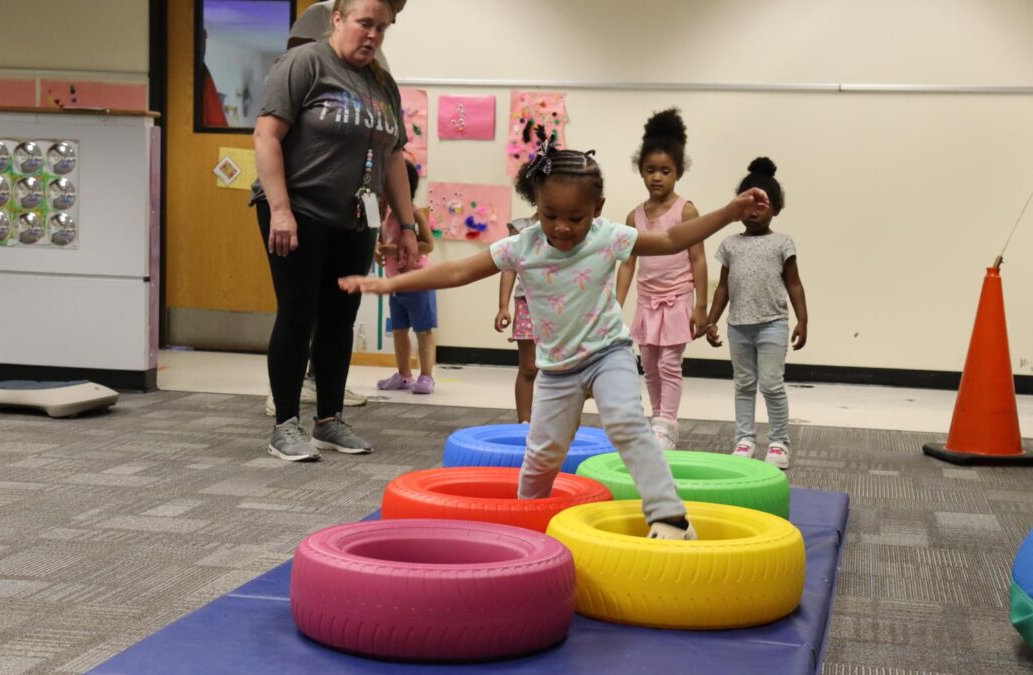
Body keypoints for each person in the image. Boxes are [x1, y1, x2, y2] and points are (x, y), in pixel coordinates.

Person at [340, 129, 770, 540]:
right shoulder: (523, 244)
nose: (562, 227)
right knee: (542, 455)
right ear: (536, 207)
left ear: (597, 208)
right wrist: (391, 283)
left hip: (608, 353)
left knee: (626, 423)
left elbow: (673, 238)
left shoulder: (608, 237)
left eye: (575, 218)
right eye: (550, 216)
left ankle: (669, 515)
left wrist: (729, 212)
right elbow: (458, 270)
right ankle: (526, 517)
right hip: (556, 370)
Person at [250, 0, 419, 461]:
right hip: (298, 210)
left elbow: (394, 160)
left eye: (382, 28)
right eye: (365, 23)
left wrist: (405, 223)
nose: (372, 35)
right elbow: (266, 136)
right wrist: (280, 210)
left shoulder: (383, 84)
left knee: (340, 319)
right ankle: (285, 424)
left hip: (355, 218)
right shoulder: (304, 63)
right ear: (338, 20)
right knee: (298, 313)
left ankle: (329, 420)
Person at [704, 157, 808, 470]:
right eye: (747, 203)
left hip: (772, 325)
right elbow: (722, 289)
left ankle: (778, 442)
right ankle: (745, 439)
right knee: (744, 384)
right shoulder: (729, 244)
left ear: (776, 208)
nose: (753, 211)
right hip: (738, 327)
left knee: (772, 384)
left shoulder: (782, 242)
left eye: (761, 205)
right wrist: (711, 320)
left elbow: (794, 283)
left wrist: (803, 319)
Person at [616, 109, 706, 450]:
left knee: (670, 363)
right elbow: (627, 264)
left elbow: (697, 257)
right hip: (647, 301)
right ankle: (658, 420)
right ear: (641, 171)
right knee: (649, 364)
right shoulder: (633, 216)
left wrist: (702, 306)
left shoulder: (686, 211)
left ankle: (668, 420)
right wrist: (616, 305)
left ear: (678, 173)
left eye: (665, 171)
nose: (657, 178)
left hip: (677, 298)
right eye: (650, 171)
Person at [375, 159, 437, 394]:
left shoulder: (414, 213)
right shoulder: (387, 215)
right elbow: (382, 241)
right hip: (396, 284)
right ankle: (403, 374)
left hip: (419, 282)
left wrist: (395, 249)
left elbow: (428, 245)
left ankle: (427, 376)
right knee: (399, 330)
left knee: (423, 330)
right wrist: (378, 249)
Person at [494, 213, 538, 422]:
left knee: (560, 371)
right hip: (527, 303)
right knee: (528, 367)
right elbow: (509, 268)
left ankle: (557, 424)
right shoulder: (521, 228)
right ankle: (524, 423)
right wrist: (503, 306)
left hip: (561, 305)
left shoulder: (568, 225)